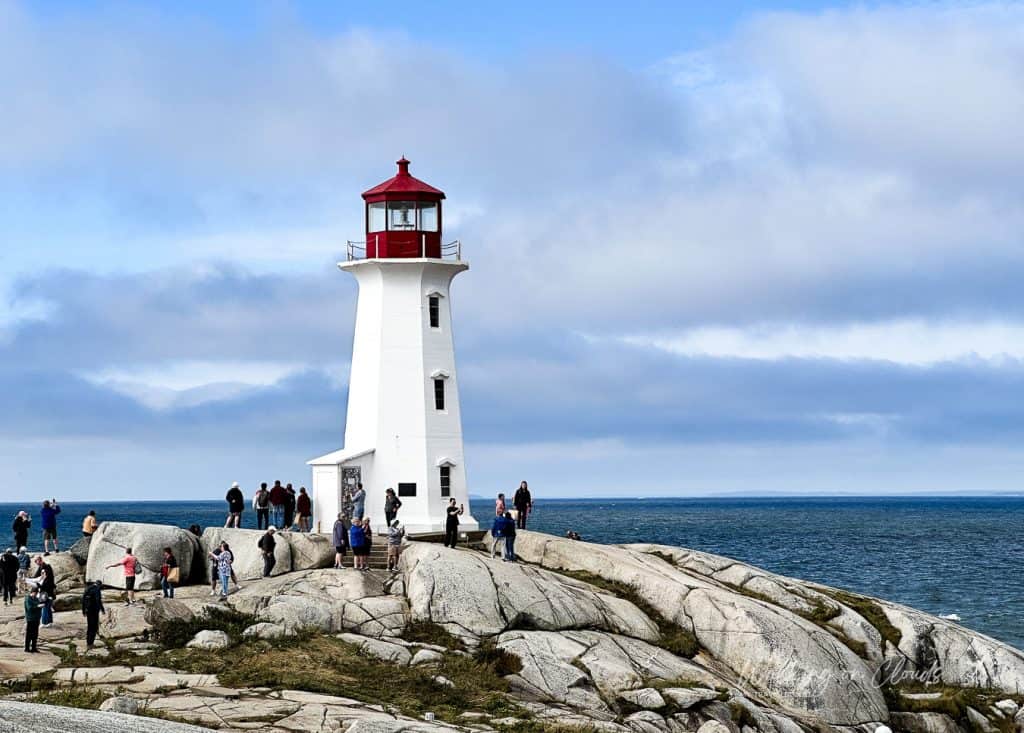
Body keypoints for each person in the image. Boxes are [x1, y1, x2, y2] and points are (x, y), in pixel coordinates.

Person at [81, 580, 105, 649]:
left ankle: (88, 643)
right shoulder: (97, 589)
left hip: (88, 610)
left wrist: (83, 611)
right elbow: (98, 600)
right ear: (99, 585)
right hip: (94, 610)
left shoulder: (87, 588)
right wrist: (102, 609)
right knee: (94, 627)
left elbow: (83, 600)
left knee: (89, 626)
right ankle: (91, 644)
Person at [34, 556, 56, 625]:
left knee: (45, 606)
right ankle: (50, 622)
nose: (36, 563)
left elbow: (47, 580)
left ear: (39, 560)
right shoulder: (42, 567)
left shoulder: (45, 567)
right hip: (49, 589)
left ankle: (44, 623)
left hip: (47, 590)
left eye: (36, 561)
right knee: (48, 606)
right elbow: (36, 576)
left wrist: (39, 586)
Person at [24, 587, 41, 653]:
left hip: (37, 618)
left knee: (35, 634)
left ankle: (34, 648)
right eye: (36, 593)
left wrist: (40, 606)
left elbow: (38, 605)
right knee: (29, 634)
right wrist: (38, 606)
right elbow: (29, 608)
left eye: (37, 593)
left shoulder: (36, 599)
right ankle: (27, 648)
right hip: (30, 618)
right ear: (33, 592)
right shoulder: (28, 599)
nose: (36, 594)